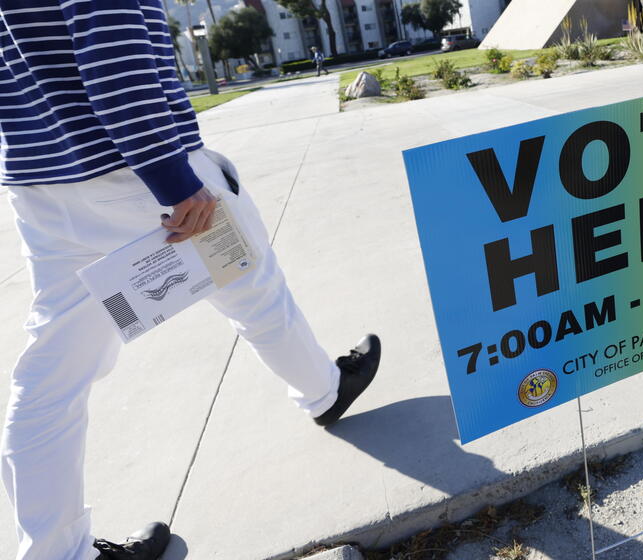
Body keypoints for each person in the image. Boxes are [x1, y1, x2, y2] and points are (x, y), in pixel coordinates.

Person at [0, 1, 380, 559]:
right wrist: (172, 177)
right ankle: (324, 391)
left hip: (40, 179)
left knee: (53, 372)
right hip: (133, 172)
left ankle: (57, 554)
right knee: (252, 288)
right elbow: (113, 50)